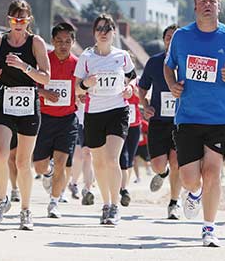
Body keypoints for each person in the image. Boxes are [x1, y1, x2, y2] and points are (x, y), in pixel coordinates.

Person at [164, 0, 225, 247]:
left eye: (211, 1)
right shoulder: (181, 36)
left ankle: (209, 228)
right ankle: (194, 192)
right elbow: (168, 67)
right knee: (190, 177)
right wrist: (171, 85)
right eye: (202, 1)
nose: (207, 4)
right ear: (194, 7)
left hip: (220, 116)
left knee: (213, 172)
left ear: (219, 7)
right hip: (188, 116)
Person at [0, 0, 50, 230]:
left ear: (29, 21)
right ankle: (2, 200)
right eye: (14, 19)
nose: (18, 23)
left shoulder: (36, 43)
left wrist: (24, 67)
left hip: (28, 103)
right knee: (1, 154)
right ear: (9, 20)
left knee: (23, 162)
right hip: (4, 100)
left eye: (22, 19)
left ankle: (26, 209)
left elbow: (46, 77)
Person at [74, 14, 136, 226]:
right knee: (99, 163)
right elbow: (76, 86)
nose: (103, 32)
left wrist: (130, 88)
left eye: (107, 29)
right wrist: (86, 84)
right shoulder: (86, 57)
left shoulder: (122, 56)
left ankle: (116, 206)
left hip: (118, 110)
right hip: (94, 113)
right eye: (99, 28)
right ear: (94, 33)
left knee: (111, 159)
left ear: (113, 33)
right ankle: (106, 204)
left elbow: (133, 76)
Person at [31, 22, 80, 219]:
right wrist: (43, 92)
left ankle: (54, 202)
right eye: (59, 41)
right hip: (44, 118)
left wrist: (83, 94)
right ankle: (48, 173)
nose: (63, 45)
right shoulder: (44, 61)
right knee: (40, 167)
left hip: (68, 120)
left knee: (62, 162)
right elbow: (30, 85)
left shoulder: (78, 64)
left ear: (73, 42)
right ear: (52, 41)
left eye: (67, 41)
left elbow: (84, 87)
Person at [138, 24, 182, 219]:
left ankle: (174, 202)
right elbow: (142, 87)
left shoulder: (187, 62)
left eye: (175, 38)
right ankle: (161, 174)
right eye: (168, 37)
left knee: (176, 162)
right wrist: (145, 105)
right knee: (158, 164)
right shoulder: (154, 62)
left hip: (181, 121)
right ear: (164, 40)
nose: (171, 41)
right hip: (158, 120)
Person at [119, 86, 143, 207]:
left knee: (130, 158)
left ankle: (123, 187)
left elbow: (145, 98)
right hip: (120, 123)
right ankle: (123, 189)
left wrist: (138, 93)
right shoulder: (118, 78)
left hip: (135, 124)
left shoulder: (137, 81)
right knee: (124, 156)